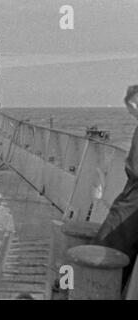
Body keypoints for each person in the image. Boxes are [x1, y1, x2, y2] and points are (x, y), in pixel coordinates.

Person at [92, 85, 138, 285]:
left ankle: (80, 285)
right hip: (131, 197)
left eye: (131, 110)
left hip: (132, 200)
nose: (131, 114)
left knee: (105, 244)